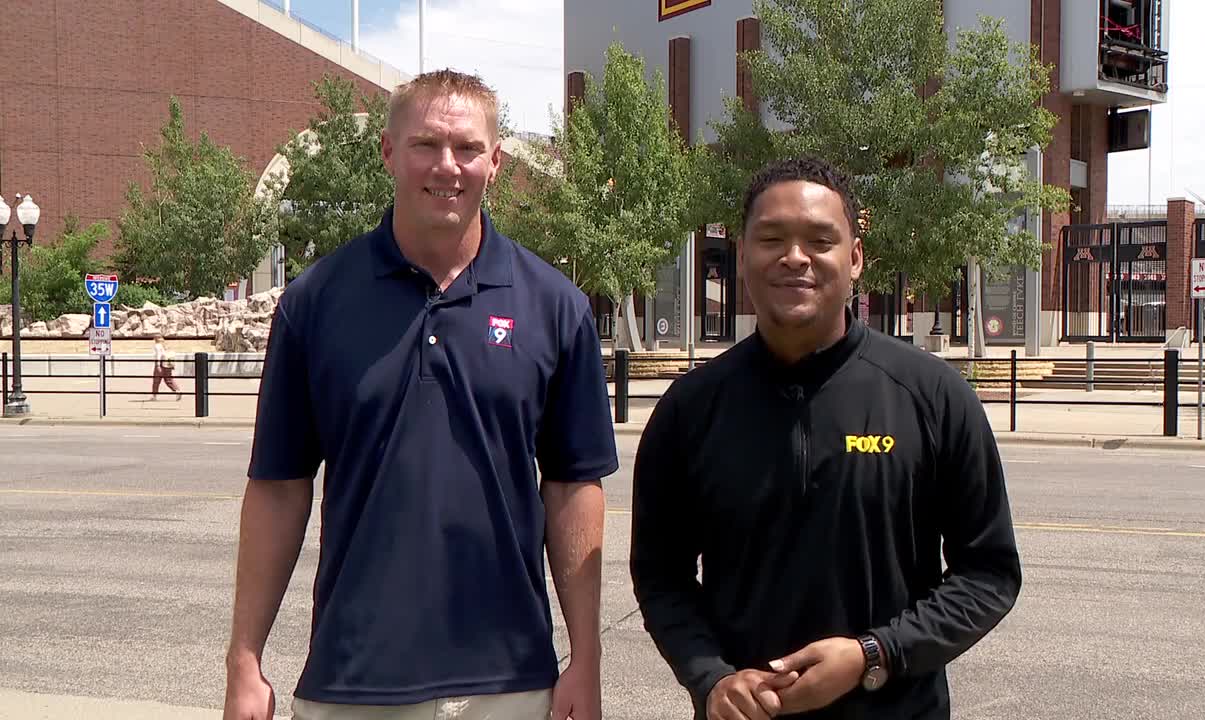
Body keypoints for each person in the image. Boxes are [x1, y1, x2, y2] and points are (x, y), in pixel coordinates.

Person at [222, 69, 618, 720]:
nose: (447, 165)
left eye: (466, 148)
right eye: (425, 144)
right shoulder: (315, 302)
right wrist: (245, 660)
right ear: (387, 152)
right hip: (352, 678)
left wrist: (586, 661)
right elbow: (278, 486)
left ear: (495, 161)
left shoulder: (555, 306)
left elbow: (574, 487)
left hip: (511, 682)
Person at [630, 157, 1022, 720]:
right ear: (742, 257)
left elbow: (989, 573)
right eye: (771, 239)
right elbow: (660, 576)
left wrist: (876, 653)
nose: (795, 257)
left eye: (820, 240)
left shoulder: (932, 394)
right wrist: (711, 678)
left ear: (855, 258)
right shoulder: (690, 410)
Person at [150, 335, 180, 400]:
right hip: (167, 364)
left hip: (161, 363)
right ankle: (177, 391)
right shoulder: (164, 345)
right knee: (168, 380)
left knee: (156, 381)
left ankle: (154, 396)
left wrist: (158, 365)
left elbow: (158, 355)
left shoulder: (157, 346)